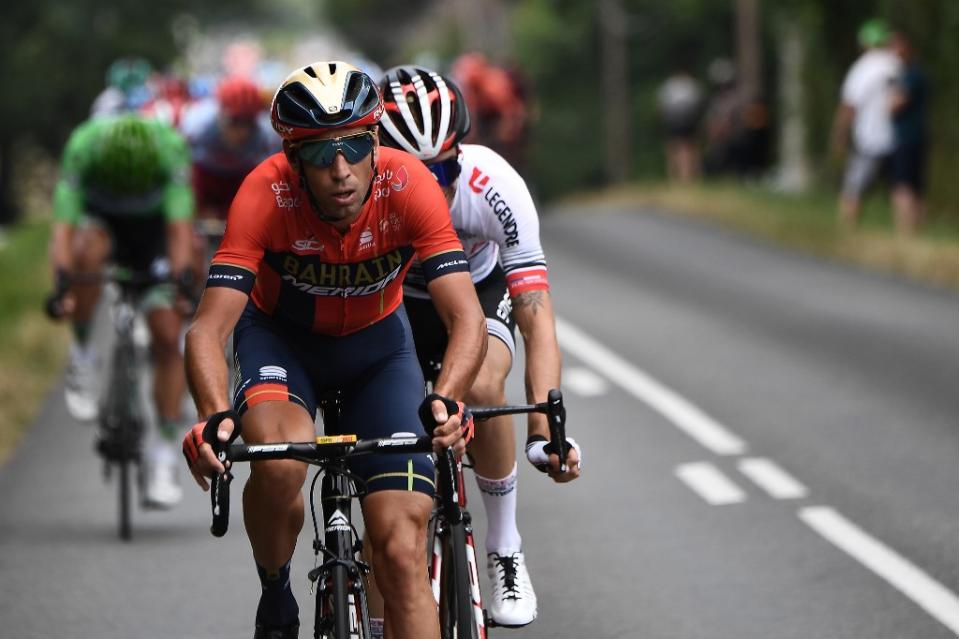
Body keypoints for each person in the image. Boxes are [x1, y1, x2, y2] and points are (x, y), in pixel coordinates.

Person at [181, 61, 487, 639]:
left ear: (375, 141)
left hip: (379, 355)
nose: (341, 170)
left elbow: (464, 315)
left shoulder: (410, 184)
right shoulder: (263, 194)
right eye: (321, 154)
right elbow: (206, 330)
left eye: (353, 147)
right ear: (294, 160)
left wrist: (447, 398)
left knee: (400, 550)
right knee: (277, 460)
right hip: (282, 343)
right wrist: (213, 417)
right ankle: (276, 590)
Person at [378, 65, 582, 629]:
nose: (434, 185)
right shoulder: (361, 195)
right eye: (416, 172)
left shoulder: (495, 187)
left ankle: (504, 545)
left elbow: (536, 318)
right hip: (400, 297)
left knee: (486, 384)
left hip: (478, 286)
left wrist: (544, 433)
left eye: (444, 167)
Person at [47, 114, 195, 508]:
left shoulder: (170, 149)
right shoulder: (83, 147)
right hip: (103, 225)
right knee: (85, 252)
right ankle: (82, 354)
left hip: (153, 233)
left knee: (167, 336)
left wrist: (181, 285)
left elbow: (180, 230)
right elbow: (63, 229)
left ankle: (164, 454)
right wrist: (62, 288)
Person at [831, 18, 902, 228]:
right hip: (898, 138)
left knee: (853, 189)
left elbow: (849, 106)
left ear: (865, 43)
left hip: (869, 138)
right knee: (901, 189)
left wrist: (839, 136)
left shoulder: (862, 68)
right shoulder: (897, 64)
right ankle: (907, 235)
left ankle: (847, 230)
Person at [180, 75, 280, 221]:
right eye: (234, 121)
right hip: (205, 179)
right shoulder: (196, 127)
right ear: (220, 115)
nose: (243, 131)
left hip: (240, 180)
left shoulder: (267, 136)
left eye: (249, 123)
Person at [889, 29, 928, 234]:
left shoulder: (910, 75)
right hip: (916, 135)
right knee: (916, 186)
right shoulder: (915, 73)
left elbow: (895, 105)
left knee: (903, 185)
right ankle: (919, 231)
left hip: (906, 137)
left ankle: (905, 232)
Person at [657, 68, 704, 183]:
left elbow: (662, 107)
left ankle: (679, 177)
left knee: (680, 149)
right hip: (684, 120)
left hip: (678, 120)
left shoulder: (669, 85)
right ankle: (686, 177)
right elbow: (698, 105)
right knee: (684, 149)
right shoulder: (691, 85)